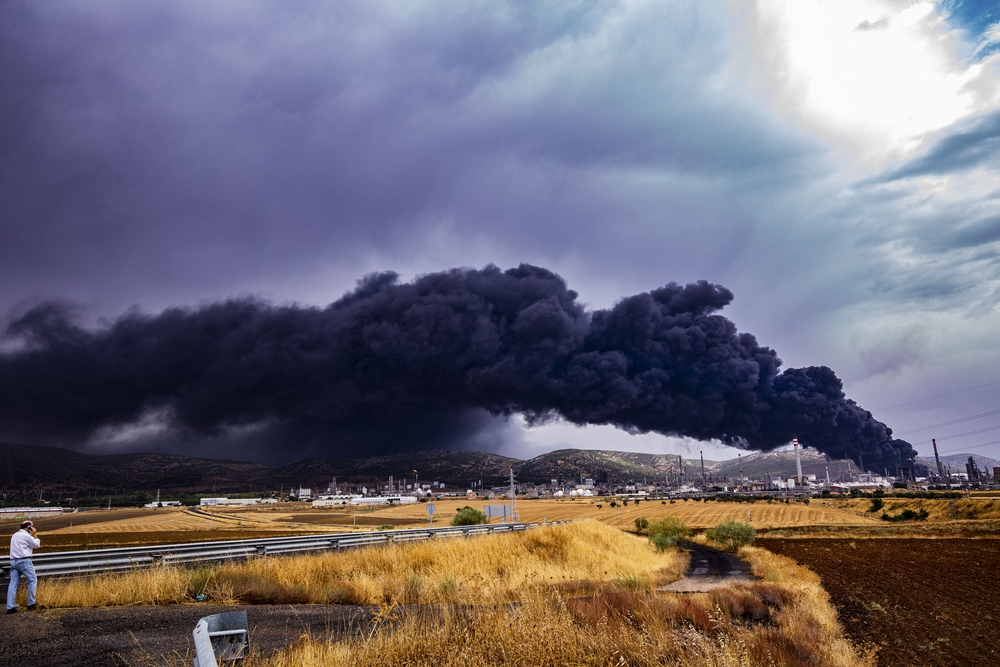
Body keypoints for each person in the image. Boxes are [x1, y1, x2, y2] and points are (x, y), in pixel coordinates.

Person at [6, 520, 40, 614]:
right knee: (32, 581)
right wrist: (35, 535)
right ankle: (31, 604)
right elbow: (36, 545)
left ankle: (10, 606)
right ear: (28, 527)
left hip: (13, 561)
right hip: (24, 561)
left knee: (13, 584)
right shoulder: (26, 536)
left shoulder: (14, 535)